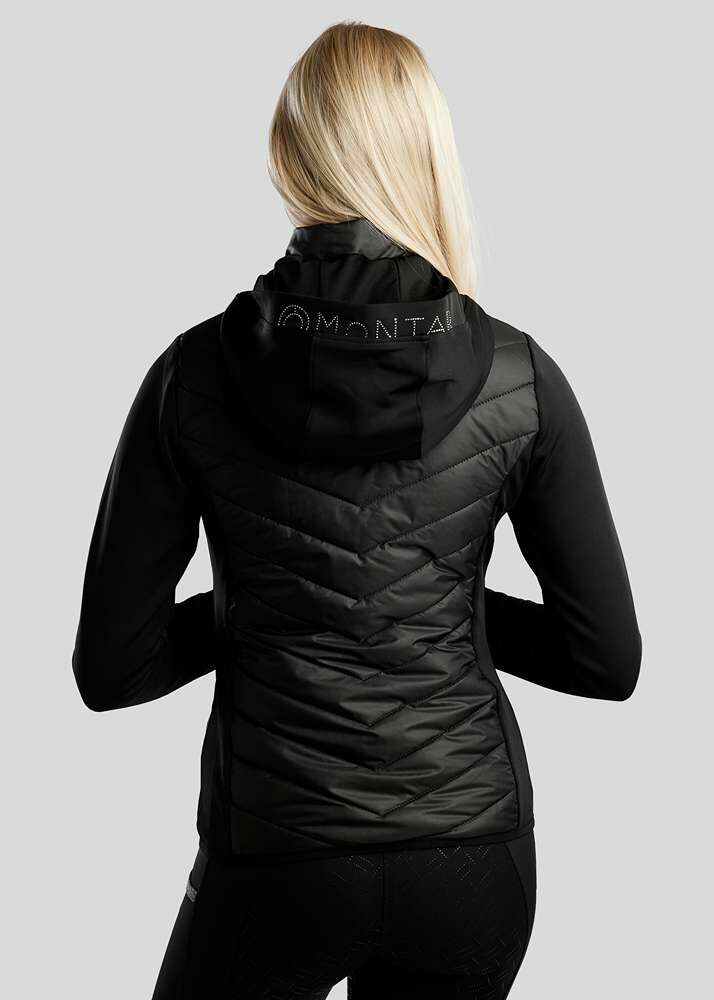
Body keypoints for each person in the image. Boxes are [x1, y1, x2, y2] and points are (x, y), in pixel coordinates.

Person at [71, 20, 642, 1000]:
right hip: (472, 862)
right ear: (428, 156)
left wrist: (271, 605)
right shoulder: (520, 378)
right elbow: (607, 660)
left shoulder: (193, 375)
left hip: (275, 856)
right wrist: (433, 605)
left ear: (290, 159)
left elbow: (111, 669)